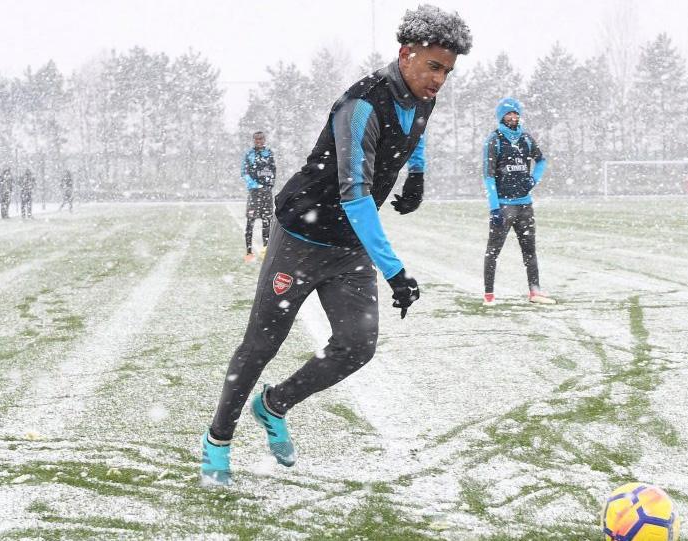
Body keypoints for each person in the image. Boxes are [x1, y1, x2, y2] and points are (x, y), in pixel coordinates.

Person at [200, 4, 472, 487]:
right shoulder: (362, 105)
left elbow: (418, 127)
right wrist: (395, 270)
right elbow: (355, 195)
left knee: (357, 345)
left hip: (348, 249)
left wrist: (418, 173)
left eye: (447, 71)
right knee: (262, 343)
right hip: (302, 237)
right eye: (433, 67)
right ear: (405, 54)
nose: (439, 81)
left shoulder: (423, 96)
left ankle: (274, 404)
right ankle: (218, 440)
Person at [482, 97, 555, 305]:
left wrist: (534, 179)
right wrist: (495, 207)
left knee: (529, 250)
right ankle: (489, 295)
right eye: (509, 113)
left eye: (516, 113)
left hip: (525, 205)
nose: (513, 117)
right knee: (493, 251)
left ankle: (535, 291)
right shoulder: (494, 140)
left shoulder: (526, 139)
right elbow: (488, 176)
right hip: (503, 206)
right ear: (501, 117)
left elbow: (541, 160)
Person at [241, 131, 276, 262]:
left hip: (267, 193)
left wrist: (270, 185)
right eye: (256, 139)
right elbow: (244, 172)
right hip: (254, 194)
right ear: (253, 140)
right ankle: (249, 253)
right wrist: (255, 185)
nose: (259, 141)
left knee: (267, 222)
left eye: (261, 139)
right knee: (250, 222)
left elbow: (273, 170)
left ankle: (265, 250)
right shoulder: (249, 154)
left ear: (264, 139)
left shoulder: (269, 153)